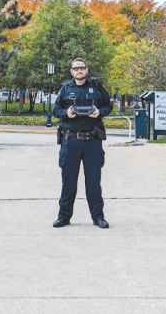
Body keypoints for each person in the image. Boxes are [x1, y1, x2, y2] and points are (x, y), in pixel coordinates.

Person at [52, 58, 113, 228]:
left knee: (93, 182)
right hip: (71, 140)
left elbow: (109, 105)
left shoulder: (97, 86)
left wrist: (99, 112)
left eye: (82, 68)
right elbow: (56, 110)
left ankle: (98, 217)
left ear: (87, 70)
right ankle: (64, 217)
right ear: (71, 71)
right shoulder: (65, 88)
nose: (79, 71)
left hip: (92, 141)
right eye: (76, 68)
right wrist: (67, 113)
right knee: (68, 182)